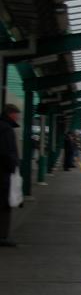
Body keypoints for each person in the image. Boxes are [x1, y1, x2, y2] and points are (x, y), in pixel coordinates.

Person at [0, 103, 21, 246]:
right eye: (17, 115)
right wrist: (13, 166)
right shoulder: (6, 129)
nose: (18, 117)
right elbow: (6, 152)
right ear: (11, 114)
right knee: (4, 204)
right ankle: (2, 237)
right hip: (3, 173)